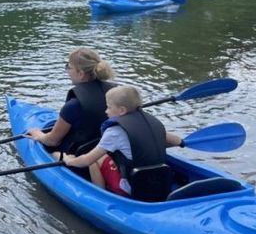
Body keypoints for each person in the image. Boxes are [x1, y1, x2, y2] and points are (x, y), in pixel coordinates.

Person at [55, 85, 184, 202]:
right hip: (160, 183)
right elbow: (178, 141)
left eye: (109, 107)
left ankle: (100, 196)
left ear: (122, 110)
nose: (106, 111)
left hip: (132, 188)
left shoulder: (115, 131)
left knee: (96, 159)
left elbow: (87, 160)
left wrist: (68, 160)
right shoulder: (152, 122)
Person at [26, 47, 118, 156]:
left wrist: (39, 135)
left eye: (69, 67)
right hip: (110, 153)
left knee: (51, 152)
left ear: (81, 74)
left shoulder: (73, 105)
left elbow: (52, 141)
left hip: (78, 156)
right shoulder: (117, 94)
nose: (67, 72)